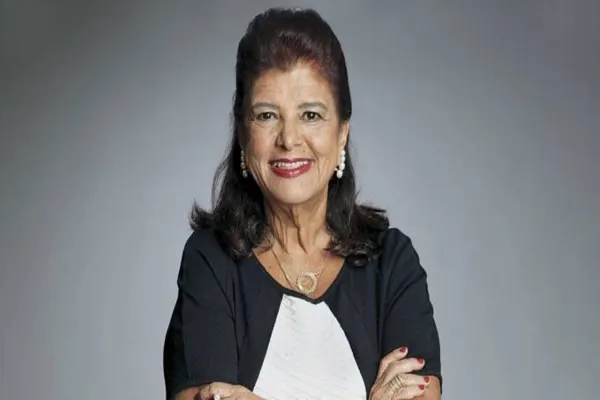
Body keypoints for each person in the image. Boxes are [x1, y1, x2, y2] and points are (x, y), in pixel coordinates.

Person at [163, 7, 442, 400]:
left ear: (342, 132)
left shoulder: (392, 264)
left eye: (311, 115)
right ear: (243, 133)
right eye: (267, 116)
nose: (289, 139)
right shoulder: (210, 261)